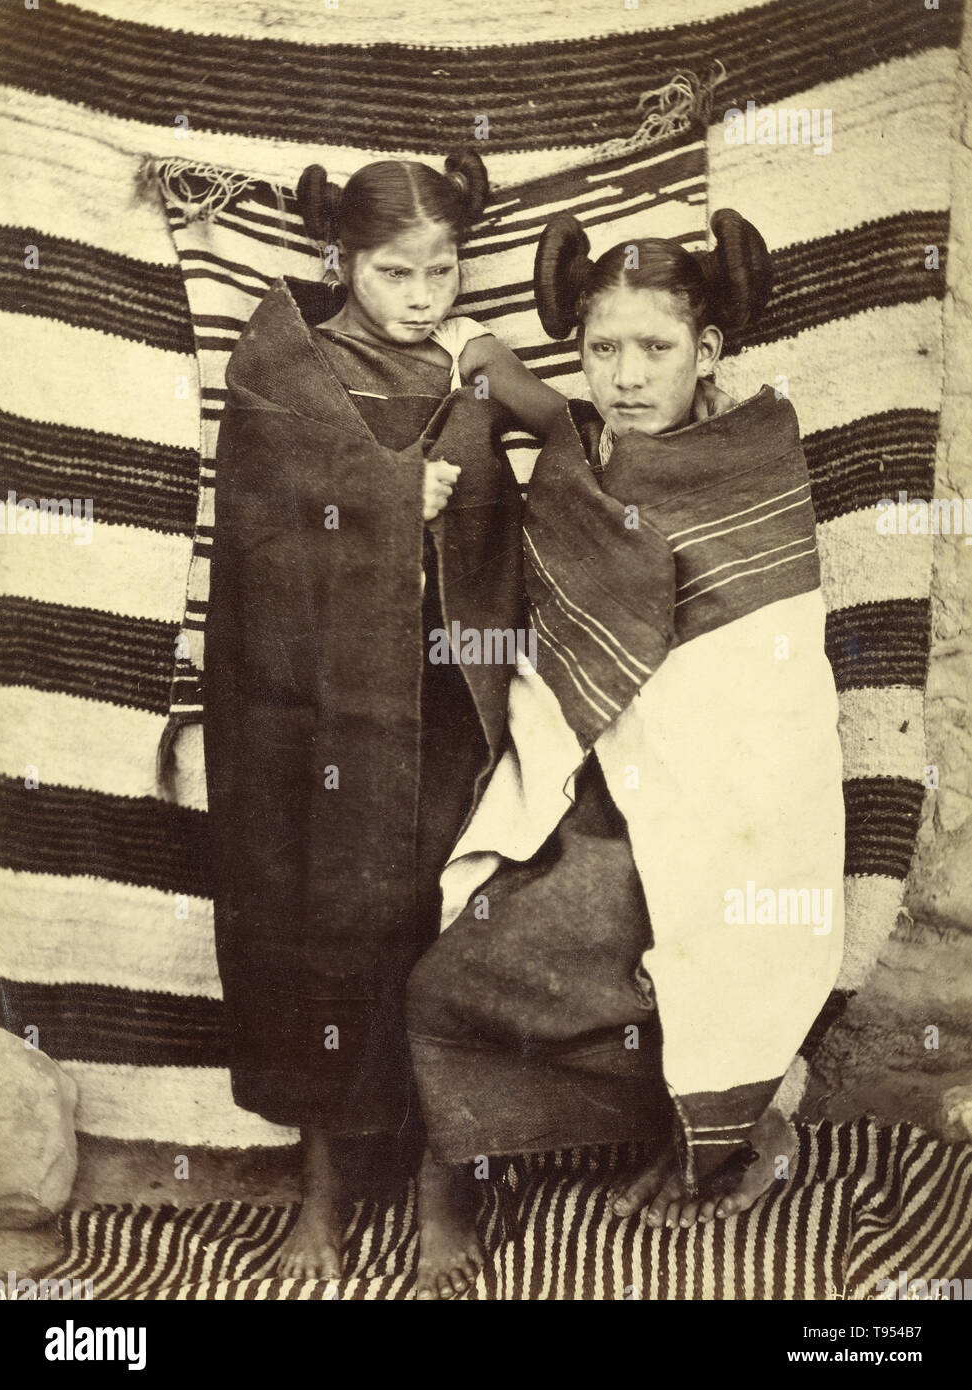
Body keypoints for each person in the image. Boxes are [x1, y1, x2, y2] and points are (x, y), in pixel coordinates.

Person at [406, 208, 846, 1261]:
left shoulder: (750, 462)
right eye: (601, 348)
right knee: (457, 975)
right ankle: (459, 1172)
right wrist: (466, 351)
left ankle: (737, 1125)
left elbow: (765, 692)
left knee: (692, 962)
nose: (626, 373)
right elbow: (501, 382)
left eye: (655, 348)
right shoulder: (574, 456)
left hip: (732, 811)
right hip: (589, 785)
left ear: (708, 353)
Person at [202, 151, 565, 1299]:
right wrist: (373, 501)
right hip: (310, 711)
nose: (421, 294)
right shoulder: (284, 365)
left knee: (442, 920)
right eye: (393, 271)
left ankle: (439, 1181)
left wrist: (490, 388)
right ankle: (318, 1181)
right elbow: (255, 530)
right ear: (340, 260)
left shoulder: (468, 362)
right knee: (314, 921)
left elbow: (574, 438)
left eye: (442, 269)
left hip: (450, 697)